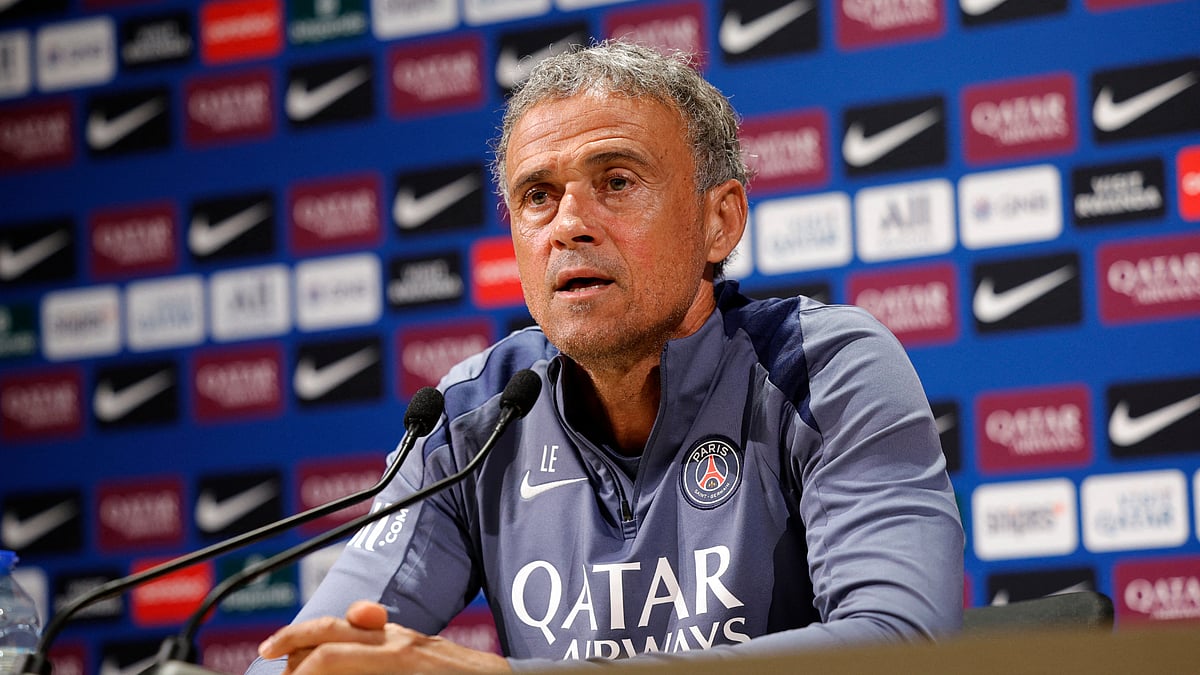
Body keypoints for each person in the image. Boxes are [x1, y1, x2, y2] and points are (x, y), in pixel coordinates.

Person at [248, 40, 963, 675]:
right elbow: (321, 651)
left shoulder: (821, 366)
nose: (569, 224)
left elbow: (899, 644)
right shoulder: (471, 416)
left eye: (616, 181)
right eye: (538, 195)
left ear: (720, 220)